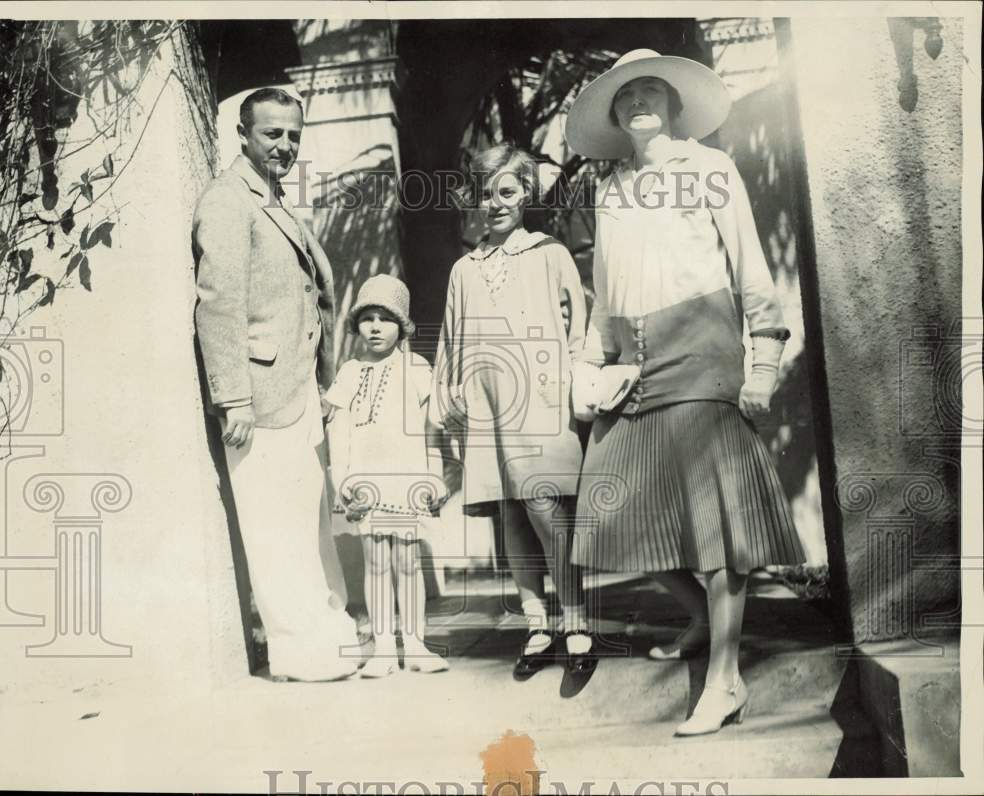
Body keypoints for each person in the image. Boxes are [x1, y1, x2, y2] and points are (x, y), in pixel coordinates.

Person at [565, 49, 807, 734]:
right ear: (614, 114)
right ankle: (700, 615)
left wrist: (761, 367)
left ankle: (725, 679)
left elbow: (753, 275)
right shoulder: (608, 189)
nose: (639, 100)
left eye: (652, 89)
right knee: (609, 513)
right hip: (634, 363)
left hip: (704, 351)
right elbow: (604, 298)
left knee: (717, 525)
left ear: (674, 105)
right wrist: (591, 364)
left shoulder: (711, 168)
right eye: (625, 93)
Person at [193, 87, 357, 682]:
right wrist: (232, 396)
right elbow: (218, 303)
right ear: (243, 134)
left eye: (293, 134)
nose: (285, 145)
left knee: (308, 516)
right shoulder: (227, 200)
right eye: (272, 134)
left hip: (300, 389)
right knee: (272, 525)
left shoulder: (275, 200)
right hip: (259, 396)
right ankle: (298, 650)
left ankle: (330, 629)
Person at [432, 144, 596, 690]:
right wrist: (450, 395)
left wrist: (575, 383)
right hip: (487, 403)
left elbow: (578, 328)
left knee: (546, 505)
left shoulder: (550, 253)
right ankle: (536, 624)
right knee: (512, 515)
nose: (495, 202)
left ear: (527, 193)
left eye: (507, 191)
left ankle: (575, 619)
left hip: (543, 399)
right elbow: (452, 343)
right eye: (485, 193)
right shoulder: (463, 269)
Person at [326, 274, 450, 678]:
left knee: (407, 562)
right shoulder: (348, 374)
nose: (376, 327)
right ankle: (382, 647)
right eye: (368, 318)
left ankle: (414, 644)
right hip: (365, 485)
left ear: (403, 325)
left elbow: (432, 430)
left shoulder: (416, 368)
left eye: (386, 318)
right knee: (375, 563)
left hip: (406, 481)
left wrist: (435, 476)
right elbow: (337, 432)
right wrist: (343, 481)